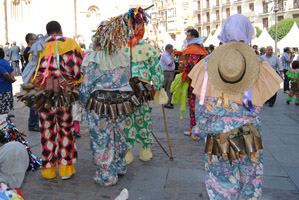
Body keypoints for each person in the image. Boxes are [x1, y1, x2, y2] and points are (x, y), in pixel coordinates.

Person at [188, 14, 282, 199]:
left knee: (220, 182)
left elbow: (202, 105)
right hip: (249, 133)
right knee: (249, 181)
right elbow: (261, 101)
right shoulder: (258, 63)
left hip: (218, 134)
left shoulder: (207, 64)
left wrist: (199, 127)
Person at [18, 21, 83, 180]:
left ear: (47, 32)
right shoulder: (69, 43)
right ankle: (66, 169)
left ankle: (49, 169)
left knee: (47, 129)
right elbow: (78, 69)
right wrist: (75, 83)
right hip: (63, 93)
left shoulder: (39, 46)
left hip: (43, 95)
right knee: (65, 128)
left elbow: (31, 70)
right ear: (60, 30)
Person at [80, 15, 138, 186]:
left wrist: (83, 103)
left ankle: (107, 174)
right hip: (121, 103)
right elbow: (127, 79)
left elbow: (85, 86)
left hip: (99, 104)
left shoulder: (92, 59)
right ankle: (120, 166)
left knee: (101, 138)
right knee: (119, 135)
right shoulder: (122, 57)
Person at [122, 9, 168, 164]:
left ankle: (127, 151)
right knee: (143, 117)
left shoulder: (120, 48)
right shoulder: (148, 47)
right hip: (142, 90)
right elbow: (157, 70)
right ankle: (145, 149)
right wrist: (159, 87)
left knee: (127, 119)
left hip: (125, 89)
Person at [182, 29, 208, 137]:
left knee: (193, 104)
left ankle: (194, 128)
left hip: (194, 81)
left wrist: (184, 72)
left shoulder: (192, 49)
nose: (186, 38)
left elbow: (189, 66)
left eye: (188, 36)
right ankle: (201, 127)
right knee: (201, 104)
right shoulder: (201, 47)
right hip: (202, 80)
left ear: (193, 37)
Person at [24, 33, 40, 132]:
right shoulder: (28, 52)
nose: (37, 40)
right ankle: (33, 124)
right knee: (34, 102)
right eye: (35, 39)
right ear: (30, 41)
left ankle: (33, 122)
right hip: (32, 80)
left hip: (33, 79)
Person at [0, 48, 15, 114]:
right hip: (8, 88)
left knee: (2, 109)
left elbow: (5, 73)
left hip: (1, 89)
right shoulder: (6, 61)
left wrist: (10, 79)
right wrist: (12, 77)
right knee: (6, 108)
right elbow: (12, 70)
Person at [160, 44, 175, 109]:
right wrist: (173, 58)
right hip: (167, 73)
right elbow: (170, 64)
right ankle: (167, 103)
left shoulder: (167, 55)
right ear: (168, 49)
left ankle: (168, 101)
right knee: (168, 87)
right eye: (171, 50)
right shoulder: (165, 55)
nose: (172, 51)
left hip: (170, 72)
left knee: (169, 87)